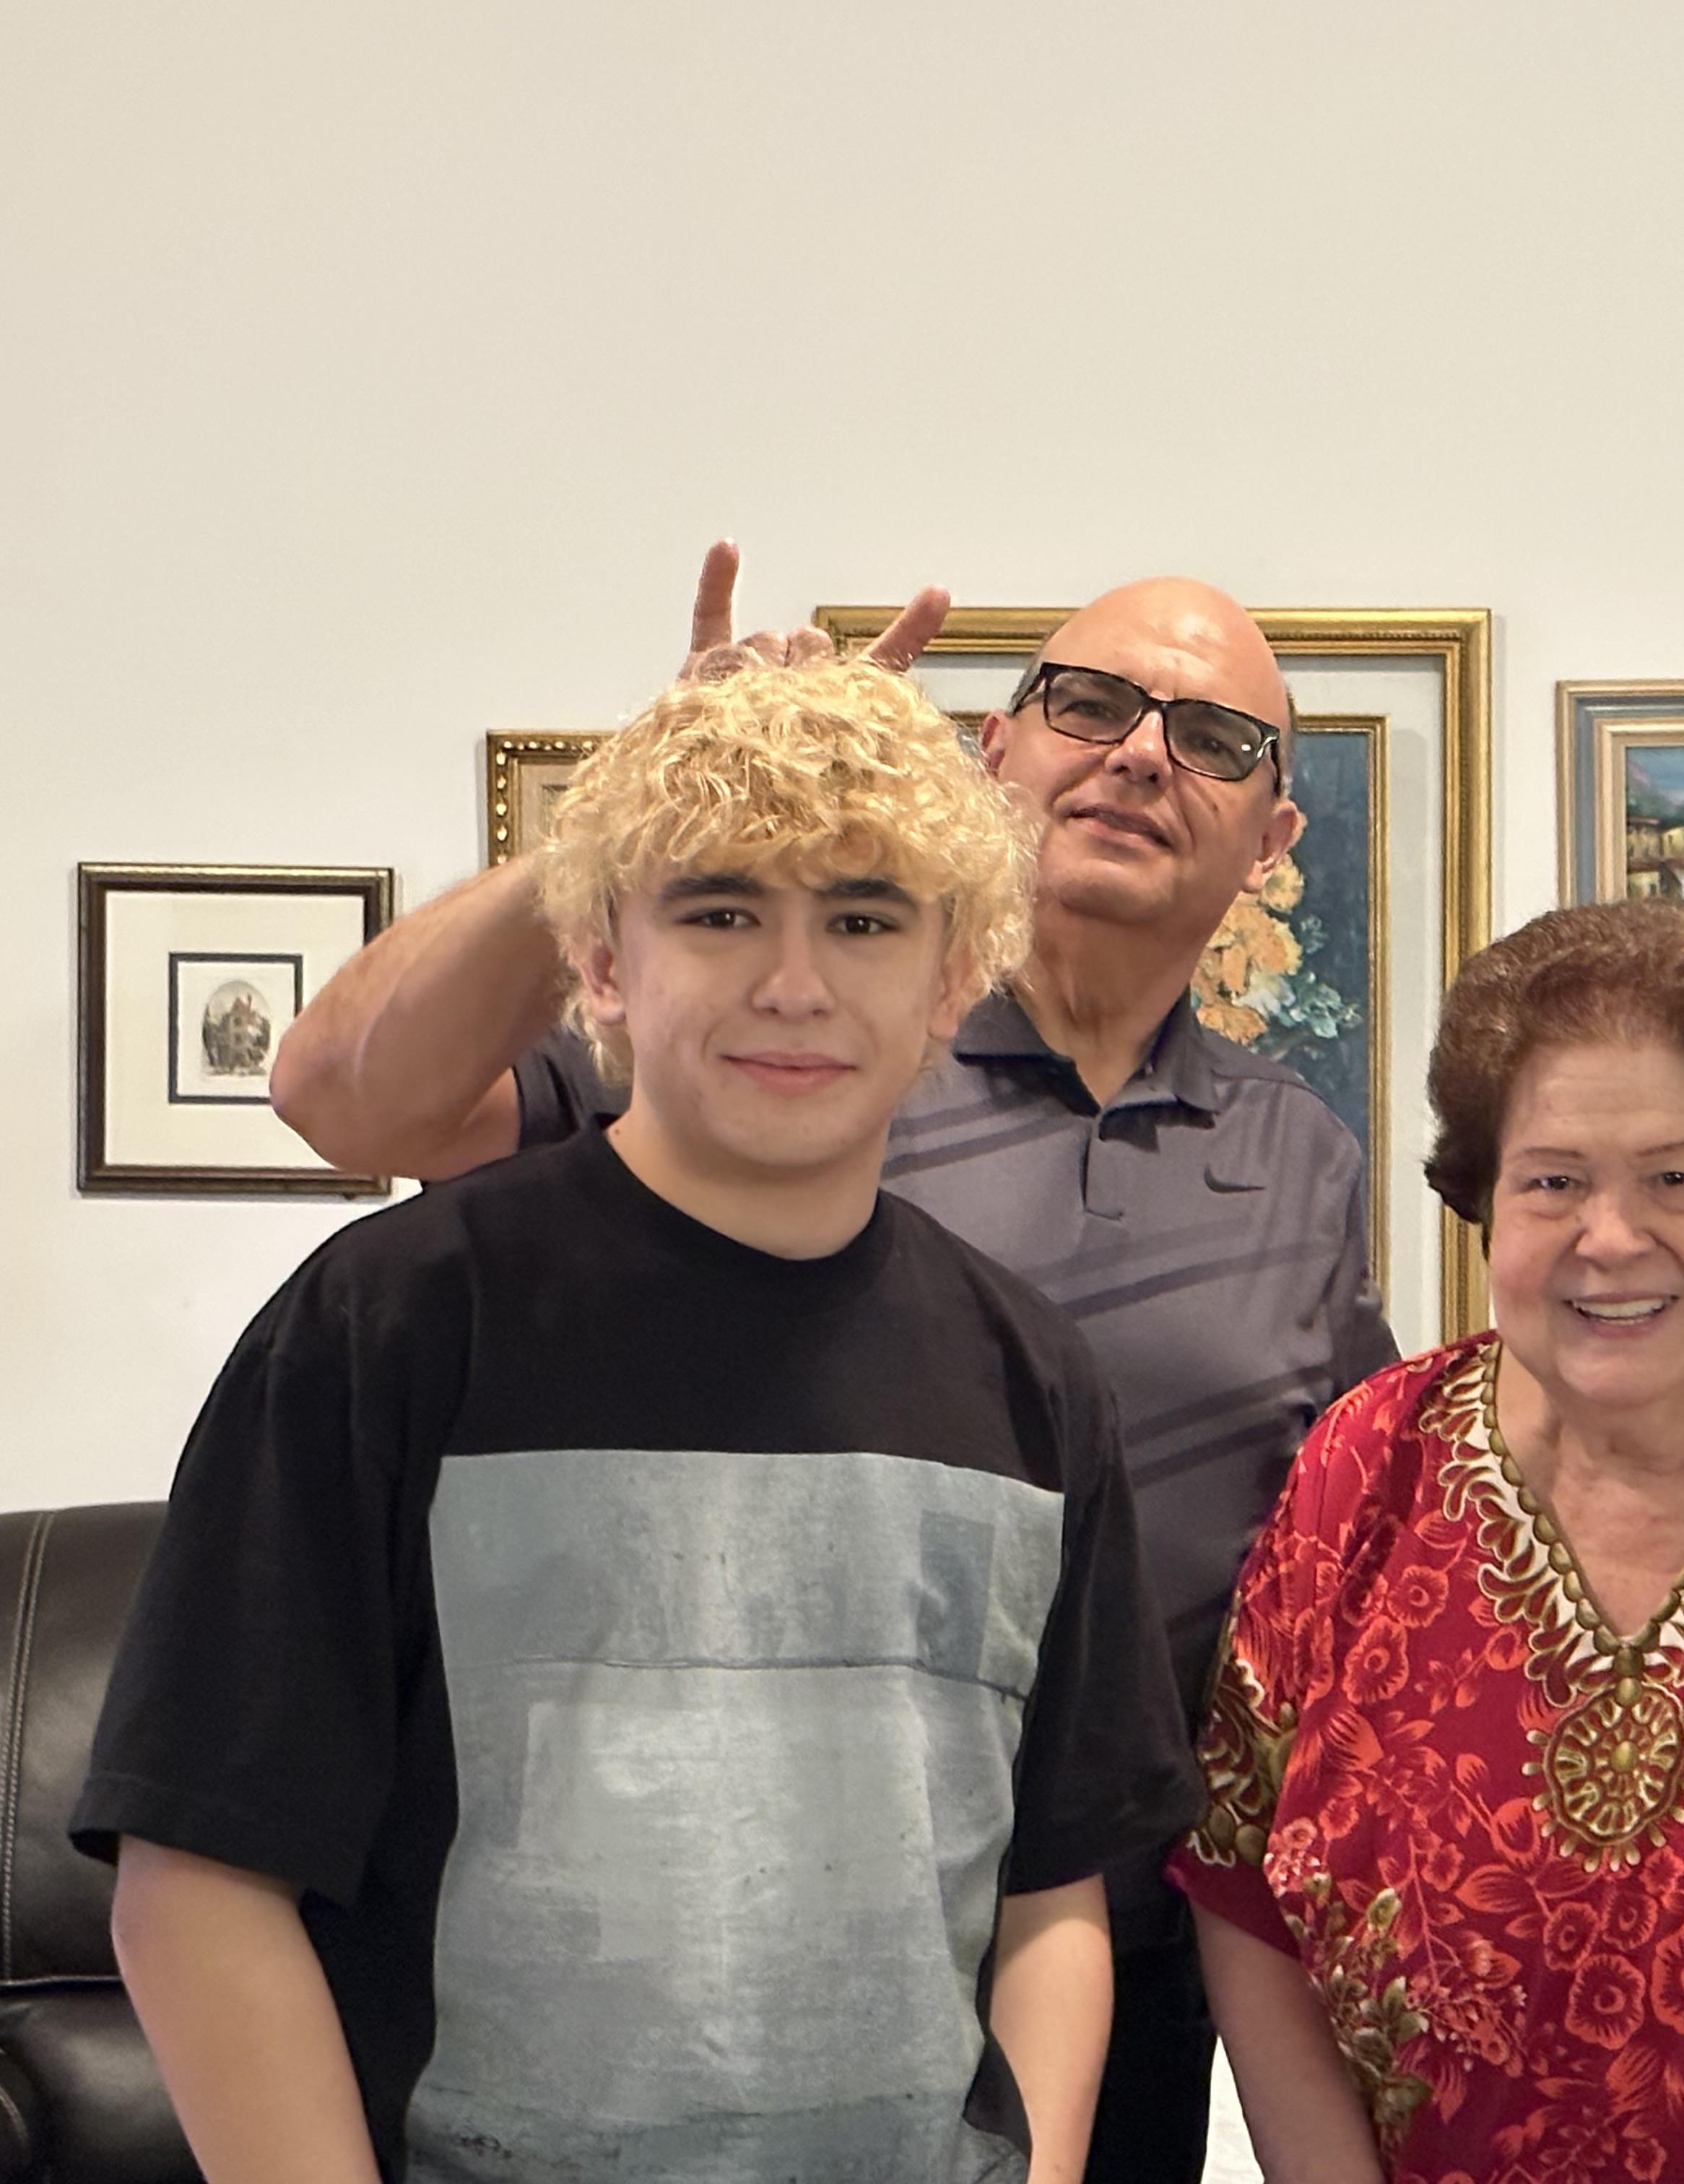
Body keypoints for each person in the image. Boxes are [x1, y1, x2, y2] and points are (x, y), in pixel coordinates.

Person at [267, 545, 1395, 2184]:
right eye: (1089, 704)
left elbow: (1346, 1546)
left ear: (1273, 840)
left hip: (1097, 1953)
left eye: (1216, 740)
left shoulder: (1304, 1153)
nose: (1144, 753)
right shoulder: (793, 1045)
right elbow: (343, 1101)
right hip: (677, 1949)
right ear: (990, 753)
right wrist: (643, 790)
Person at [76, 656, 1202, 2182]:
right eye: (721, 910)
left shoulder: (1032, 1379)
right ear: (603, 962)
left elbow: (1055, 1891)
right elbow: (197, 1874)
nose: (794, 983)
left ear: (950, 981)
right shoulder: (395, 1323)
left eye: (863, 919)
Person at [1169, 901, 1684, 2184]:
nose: (1610, 1237)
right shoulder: (1370, 1459)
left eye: (1676, 1175)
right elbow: (1239, 1876)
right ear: (1486, 1206)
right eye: (1552, 1179)